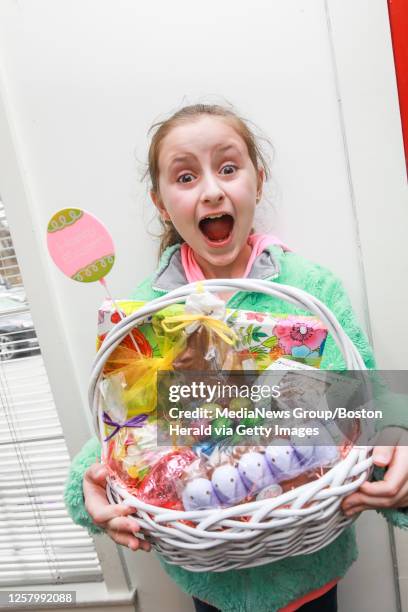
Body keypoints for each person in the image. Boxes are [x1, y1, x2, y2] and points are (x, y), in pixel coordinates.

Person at [64, 104, 408, 612]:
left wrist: (397, 459)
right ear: (161, 203)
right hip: (211, 577)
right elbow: (123, 433)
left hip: (308, 566)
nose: (211, 190)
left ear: (258, 181)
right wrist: (90, 493)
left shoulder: (308, 290)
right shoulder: (141, 313)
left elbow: (368, 405)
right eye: (185, 176)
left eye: (228, 168)